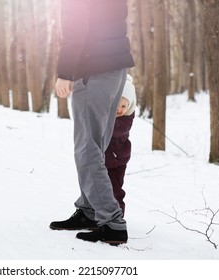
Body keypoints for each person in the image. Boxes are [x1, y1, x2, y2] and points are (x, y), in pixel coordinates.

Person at [50, 0, 135, 246]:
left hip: (93, 70)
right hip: (115, 69)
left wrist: (64, 72)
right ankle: (89, 211)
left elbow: (76, 28)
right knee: (96, 144)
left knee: (87, 150)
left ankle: (112, 222)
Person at [106, 74, 136, 217]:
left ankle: (117, 216)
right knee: (102, 188)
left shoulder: (126, 119)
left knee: (115, 189)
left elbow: (116, 129)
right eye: (117, 104)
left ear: (129, 106)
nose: (119, 109)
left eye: (123, 106)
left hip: (117, 159)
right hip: (107, 158)